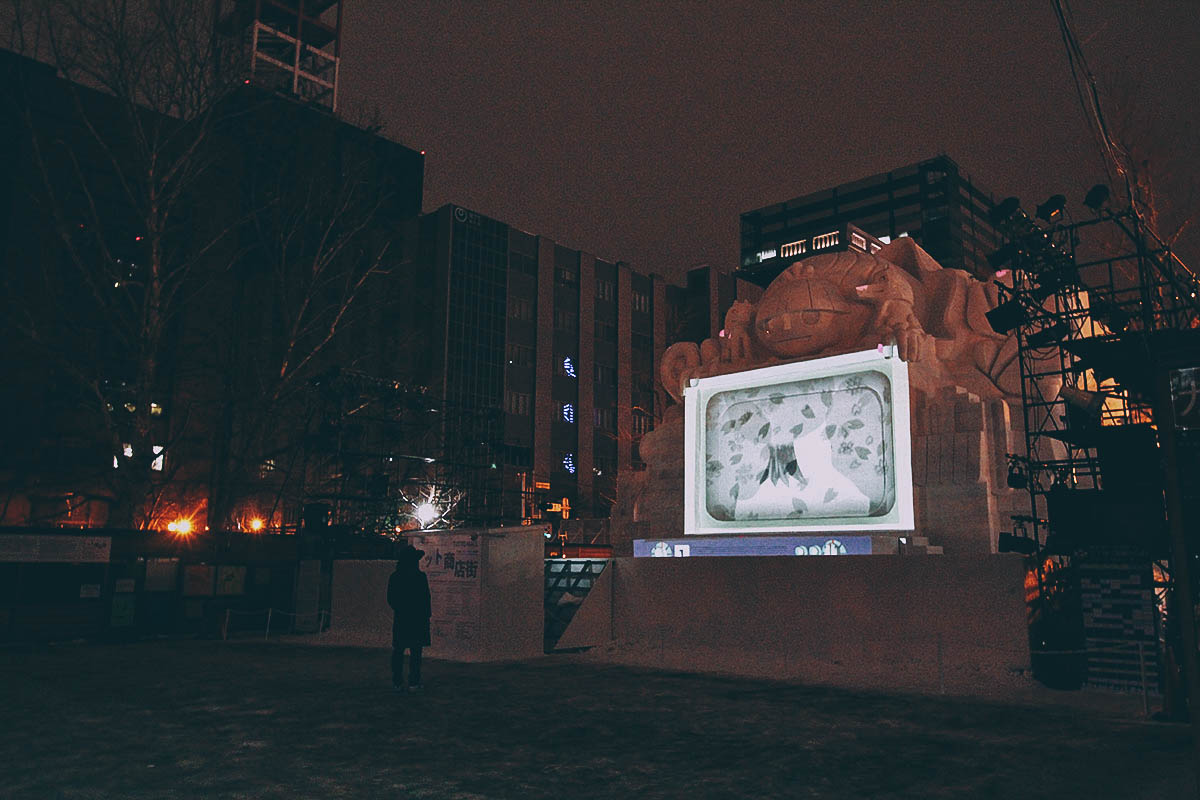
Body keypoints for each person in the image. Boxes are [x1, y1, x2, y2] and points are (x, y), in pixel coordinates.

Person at [387, 543, 431, 693]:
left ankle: (397, 682)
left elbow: (391, 599)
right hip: (417, 620)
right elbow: (426, 599)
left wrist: (401, 609)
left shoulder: (395, 577)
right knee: (416, 653)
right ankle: (414, 681)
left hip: (402, 619)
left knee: (398, 651)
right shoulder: (420, 577)